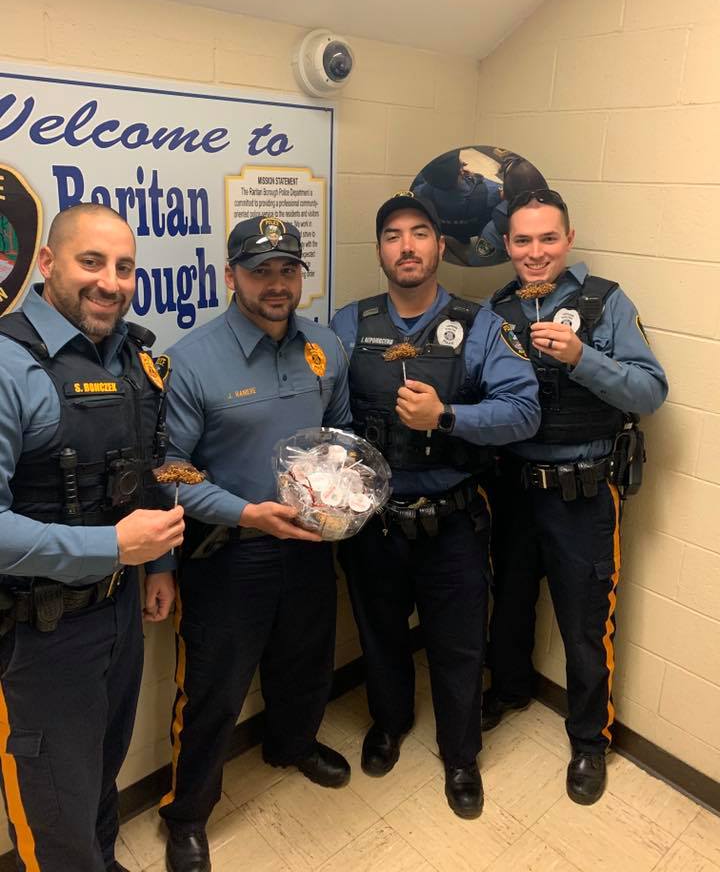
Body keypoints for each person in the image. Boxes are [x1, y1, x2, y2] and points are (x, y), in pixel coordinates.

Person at [331, 192, 540, 819]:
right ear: (380, 251)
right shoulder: (346, 324)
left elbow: (524, 412)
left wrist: (446, 415)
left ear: (439, 247)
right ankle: (389, 723)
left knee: (457, 646)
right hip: (373, 524)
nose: (407, 246)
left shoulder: (480, 325)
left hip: (452, 522)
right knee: (381, 635)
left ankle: (461, 755)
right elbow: (325, 411)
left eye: (420, 233)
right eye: (393, 236)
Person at [158, 216, 353, 872]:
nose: (276, 283)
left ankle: (292, 746)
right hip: (227, 554)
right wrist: (246, 513)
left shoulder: (325, 347)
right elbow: (168, 474)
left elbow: (342, 434)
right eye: (260, 270)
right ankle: (187, 813)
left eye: (287, 269)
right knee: (215, 687)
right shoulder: (192, 359)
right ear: (230, 276)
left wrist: (338, 489)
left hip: (307, 543)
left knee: (306, 661)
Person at [0, 203, 184, 872]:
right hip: (40, 635)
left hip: (121, 612)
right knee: (56, 809)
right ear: (46, 264)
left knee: (101, 776)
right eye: (91, 262)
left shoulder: (133, 355)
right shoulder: (9, 365)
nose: (110, 281)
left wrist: (157, 562)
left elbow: (149, 467)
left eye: (125, 267)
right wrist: (114, 549)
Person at [483, 188, 668, 805]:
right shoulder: (496, 309)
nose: (535, 253)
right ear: (507, 245)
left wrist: (584, 358)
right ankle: (508, 690)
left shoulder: (605, 302)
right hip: (510, 490)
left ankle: (590, 741)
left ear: (567, 240)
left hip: (582, 494)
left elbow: (649, 392)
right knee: (506, 604)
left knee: (586, 626)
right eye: (522, 241)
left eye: (547, 239)